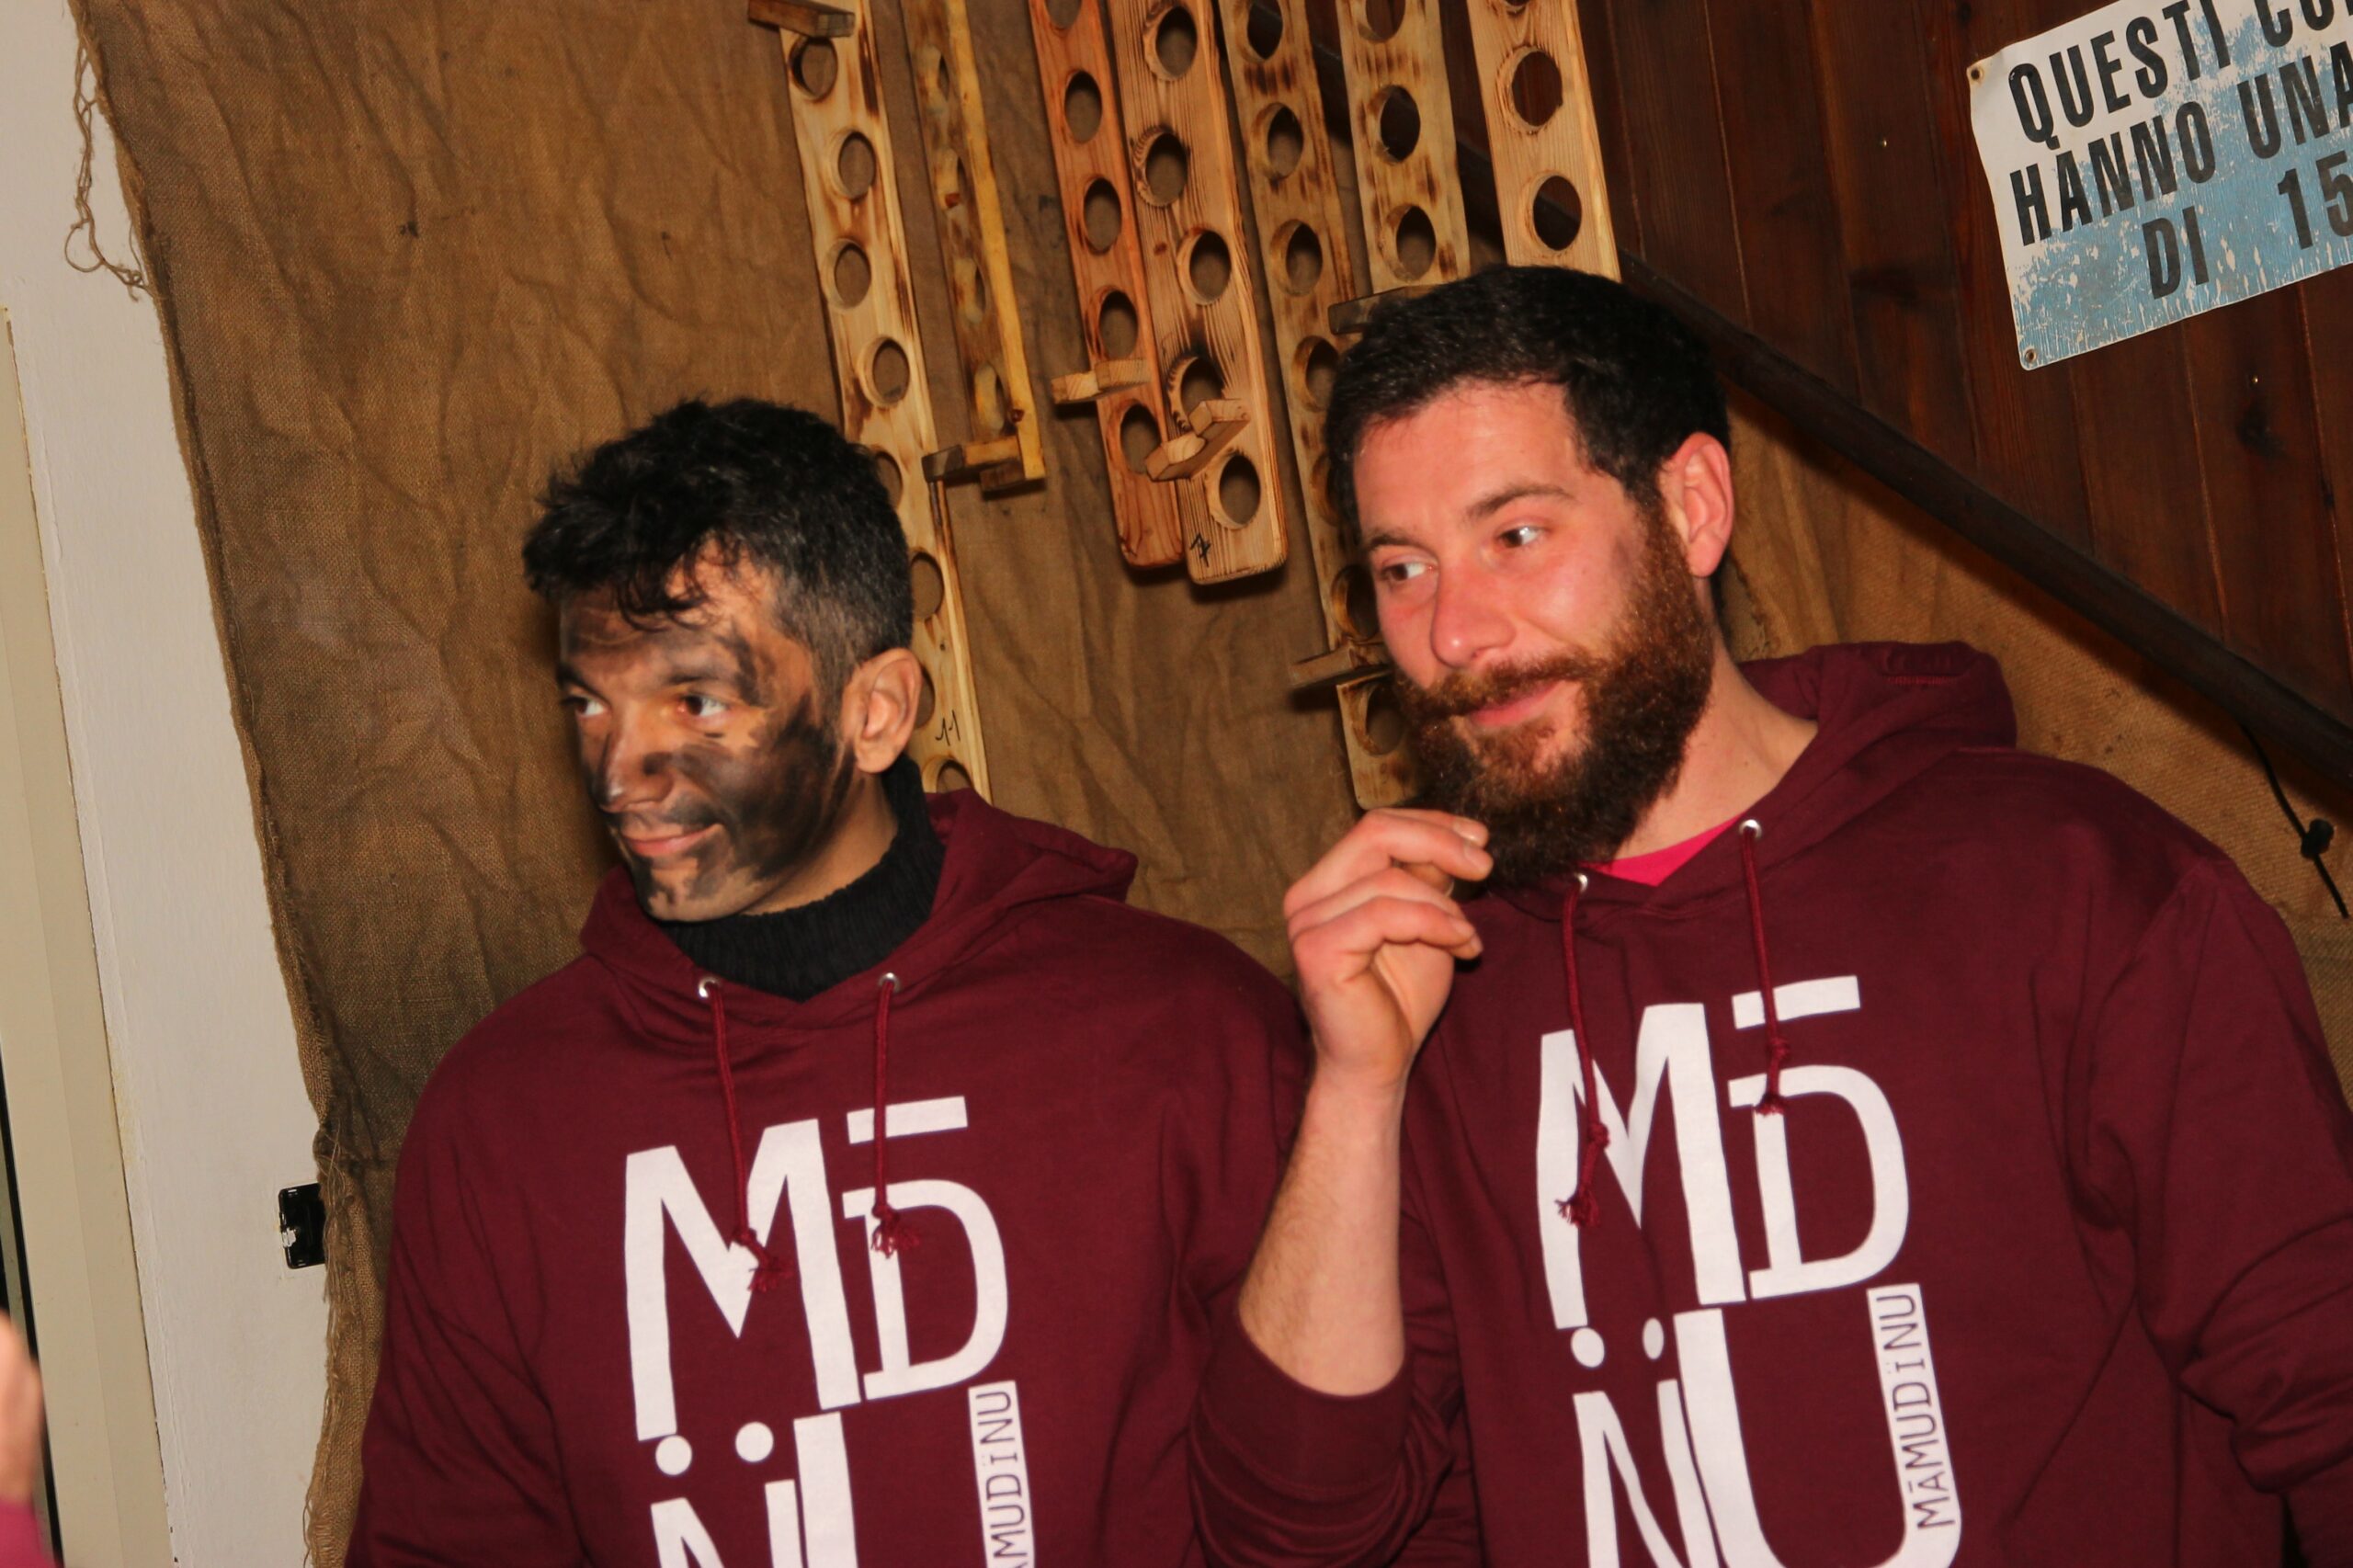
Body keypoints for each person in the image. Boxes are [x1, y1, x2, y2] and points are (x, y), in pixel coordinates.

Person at [1190, 266, 2353, 1566]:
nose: (1453, 631)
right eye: (1402, 568)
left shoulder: (2073, 884)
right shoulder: (1431, 983)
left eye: (1515, 535)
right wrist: (1356, 1090)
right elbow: (1288, 1536)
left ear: (1691, 506)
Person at [349, 398, 1300, 1565]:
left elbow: (1359, 1497)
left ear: (875, 711)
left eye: (696, 702)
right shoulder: (500, 1122)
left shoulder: (1184, 1032)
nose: (619, 773)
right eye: (588, 704)